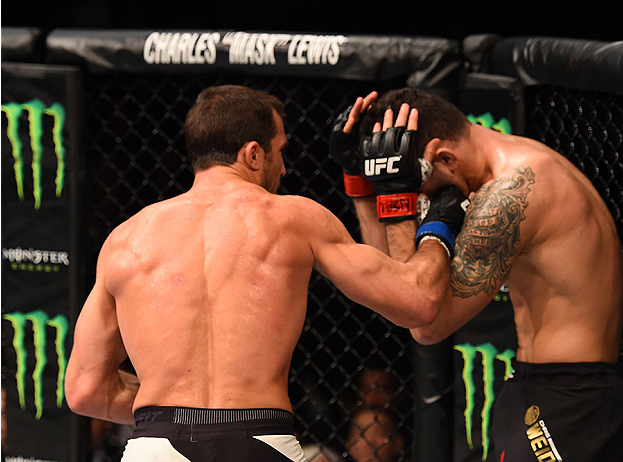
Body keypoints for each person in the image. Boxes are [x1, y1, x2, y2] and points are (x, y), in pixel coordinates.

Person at [64, 85, 462, 462]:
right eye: (280, 150)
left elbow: (84, 390)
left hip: (156, 446)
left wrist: (169, 409)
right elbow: (417, 303)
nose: (285, 167)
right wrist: (439, 224)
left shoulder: (127, 239)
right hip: (259, 438)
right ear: (253, 154)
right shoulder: (294, 218)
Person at [329, 87, 623, 461]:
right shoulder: (492, 171)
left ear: (444, 158)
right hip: (541, 392)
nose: (422, 204)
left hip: (571, 406)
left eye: (420, 190)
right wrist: (362, 181)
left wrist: (403, 203)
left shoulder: (513, 190)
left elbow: (424, 320)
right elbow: (393, 286)